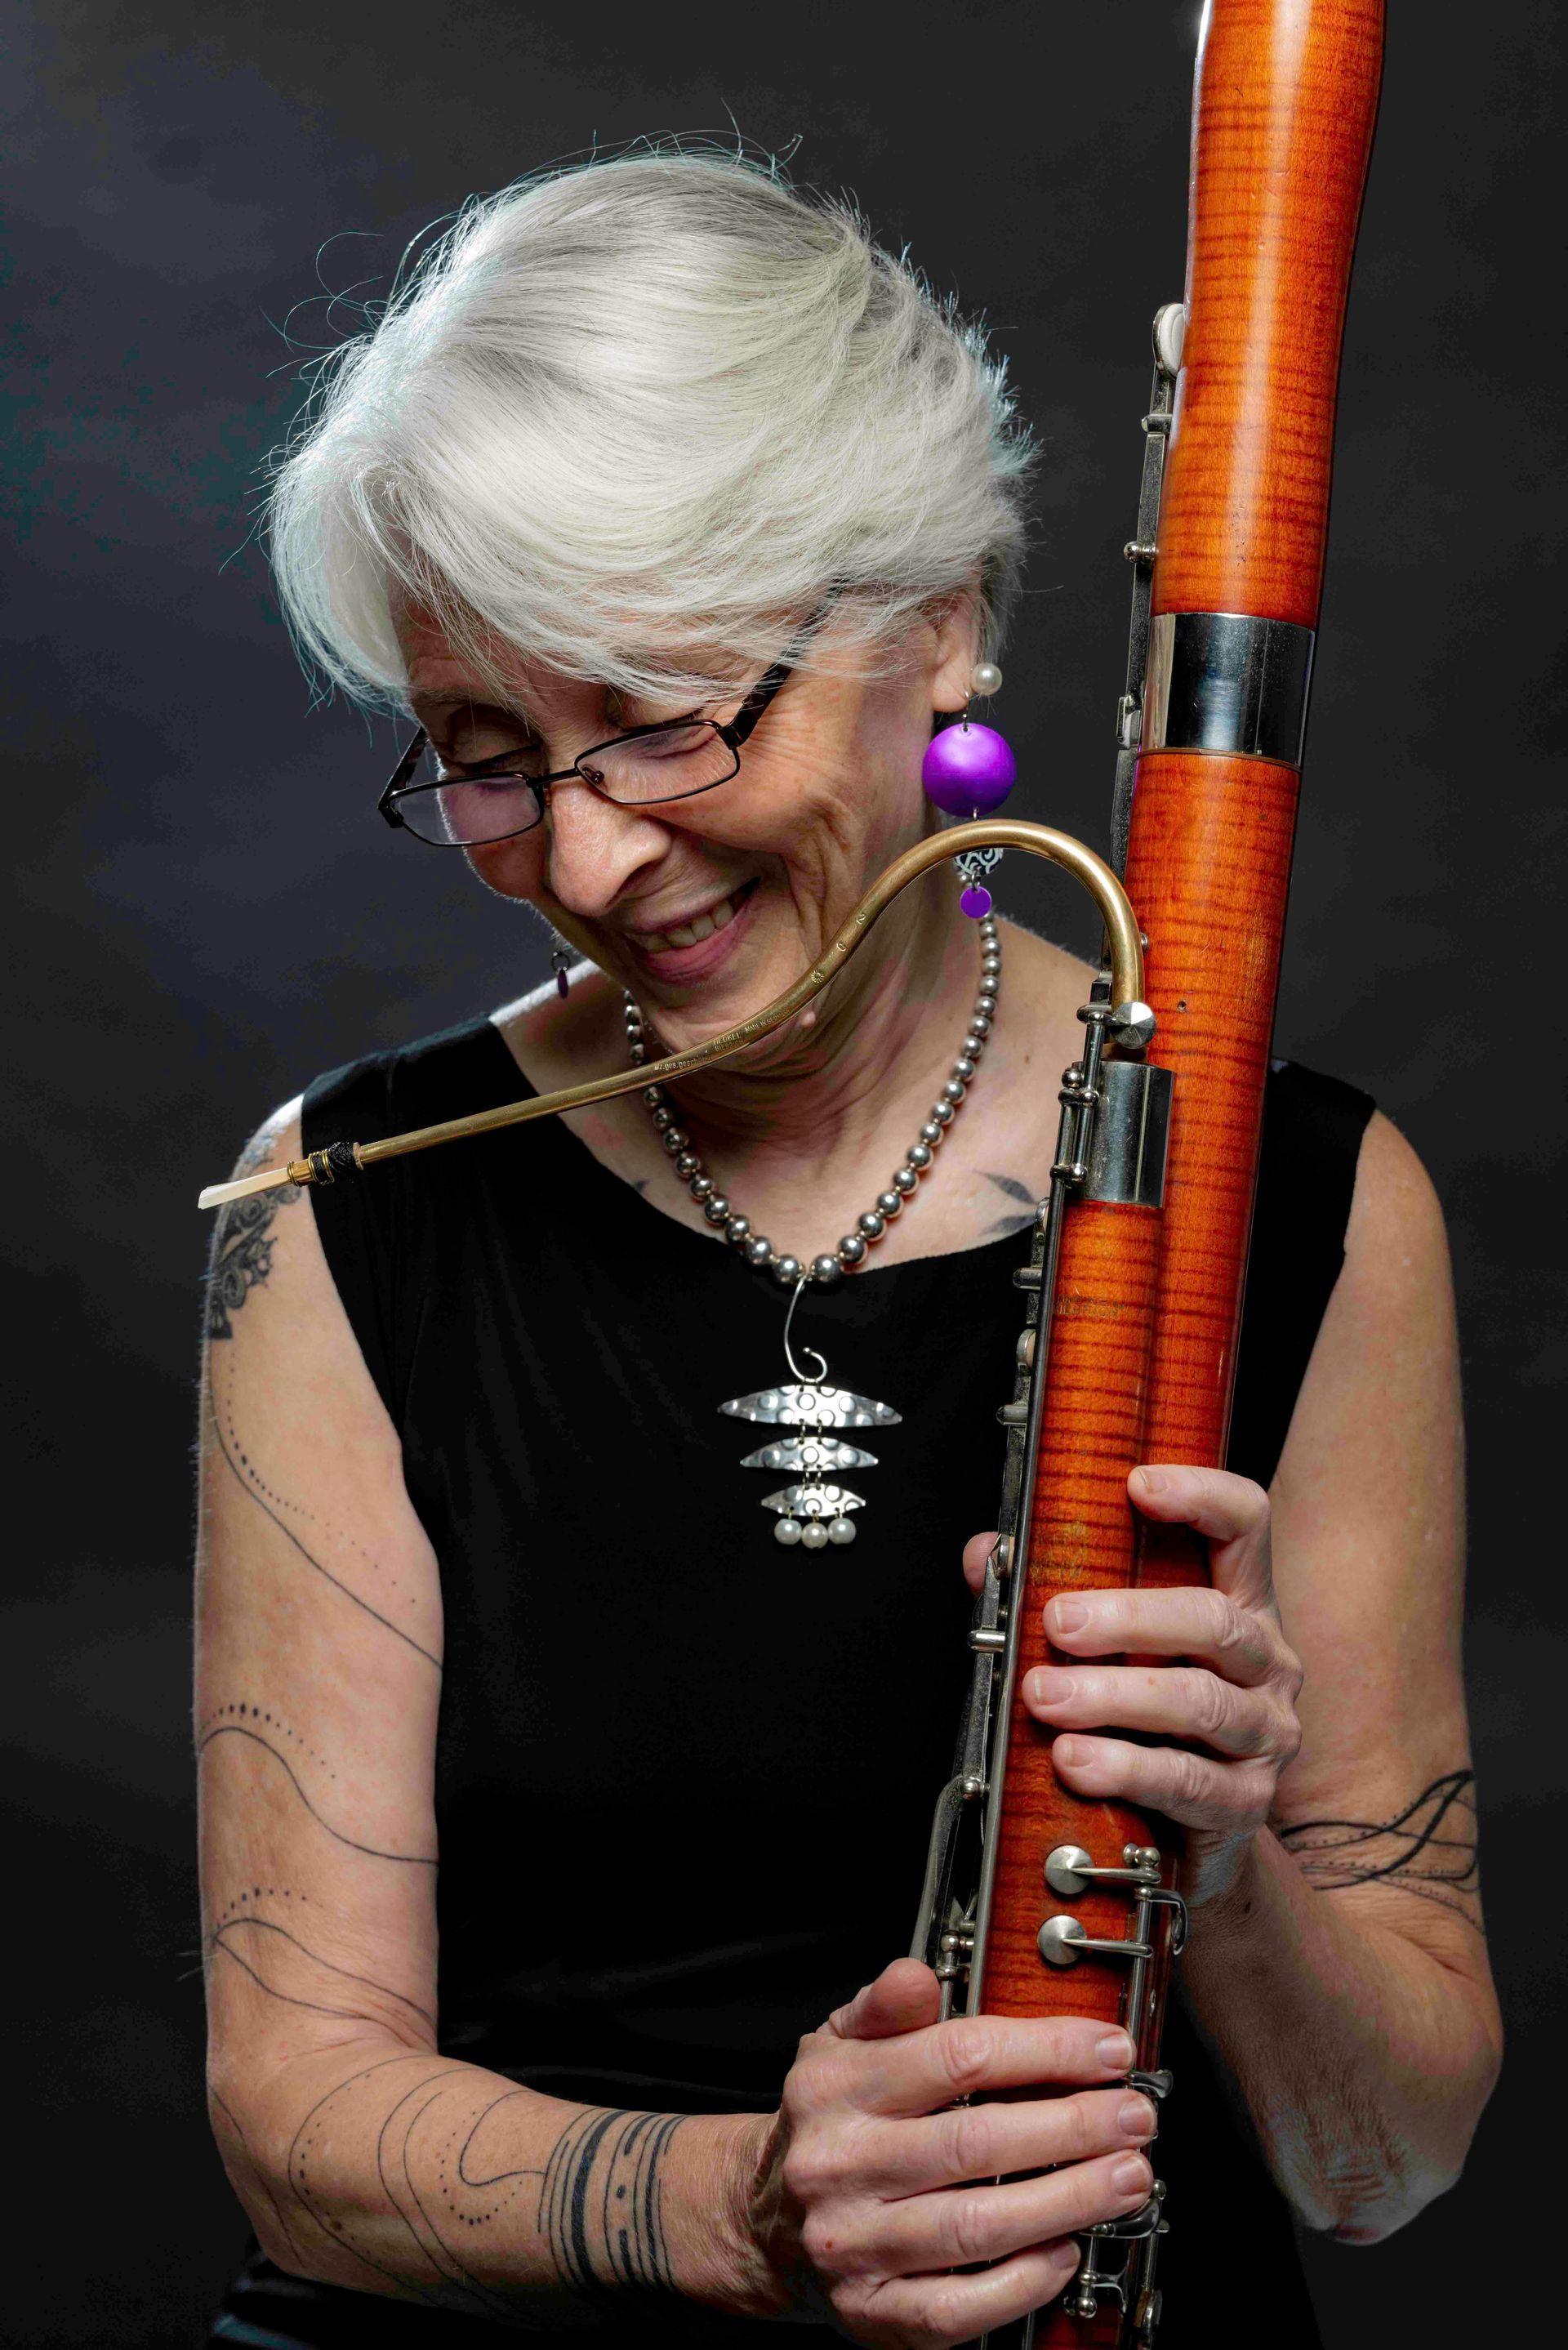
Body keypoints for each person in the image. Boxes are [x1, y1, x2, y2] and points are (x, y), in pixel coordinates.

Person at [198, 154, 1500, 2350]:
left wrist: (1228, 1871)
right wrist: (753, 2212)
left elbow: (1391, 2167)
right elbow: (292, 2119)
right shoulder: (342, 1211)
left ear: (942, 612)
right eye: (489, 758)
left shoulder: (1310, 1202)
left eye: (670, 713)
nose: (595, 859)